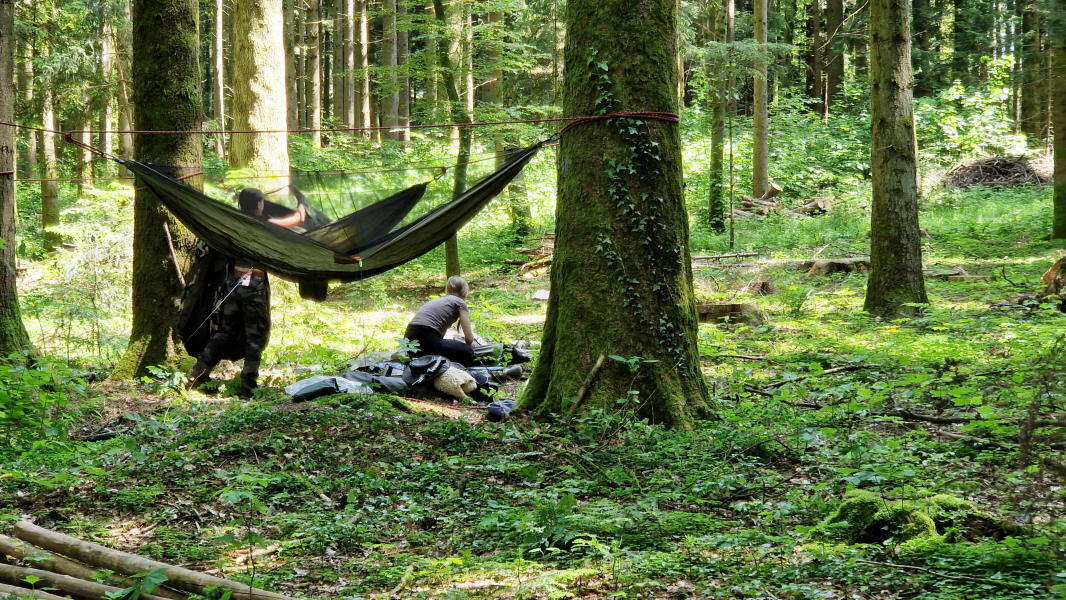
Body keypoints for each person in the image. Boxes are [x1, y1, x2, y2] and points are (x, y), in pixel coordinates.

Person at [185, 187, 307, 398]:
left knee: (225, 331)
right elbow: (298, 219)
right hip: (252, 287)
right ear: (259, 205)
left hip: (233, 282)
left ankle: (196, 375)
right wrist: (302, 200)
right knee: (254, 337)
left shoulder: (235, 222)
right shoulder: (264, 224)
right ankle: (248, 388)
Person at [404, 276, 476, 367]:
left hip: (409, 339)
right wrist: (470, 348)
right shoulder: (460, 302)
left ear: (448, 290)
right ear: (465, 292)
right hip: (426, 338)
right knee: (468, 353)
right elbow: (469, 338)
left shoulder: (439, 301)